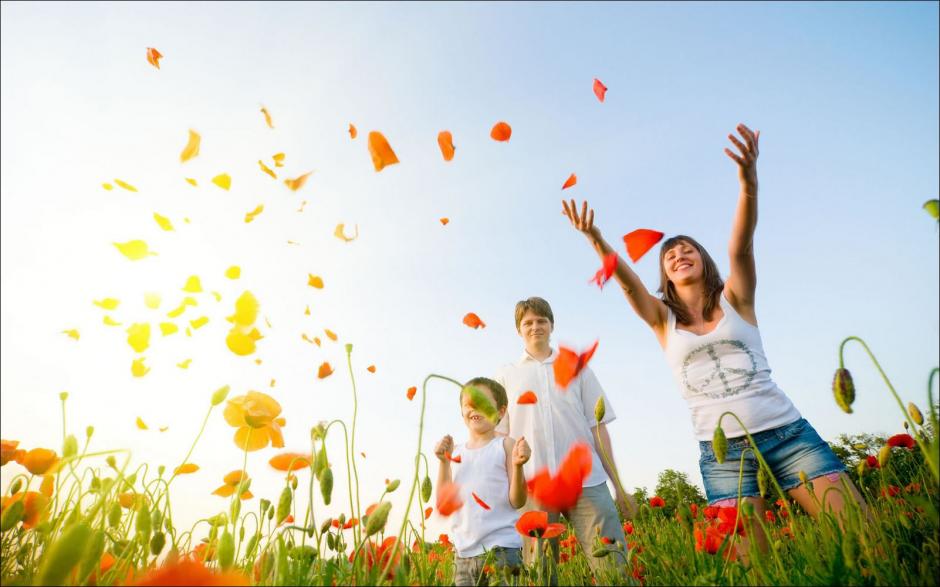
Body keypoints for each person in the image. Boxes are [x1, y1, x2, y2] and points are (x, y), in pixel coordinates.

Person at [561, 123, 868, 551]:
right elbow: (629, 285)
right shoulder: (660, 319)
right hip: (722, 454)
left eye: (687, 249)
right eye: (669, 255)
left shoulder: (737, 299)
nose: (678, 254)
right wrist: (595, 238)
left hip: (788, 435)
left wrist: (748, 184)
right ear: (665, 274)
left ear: (703, 259)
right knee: (752, 567)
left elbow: (741, 248)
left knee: (861, 537)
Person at [494, 297, 633, 577]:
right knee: (540, 573)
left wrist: (619, 485)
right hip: (534, 486)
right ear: (518, 330)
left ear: (552, 325)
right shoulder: (507, 376)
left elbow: (598, 427)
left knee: (613, 567)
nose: (535, 327)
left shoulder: (577, 368)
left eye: (541, 321)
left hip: (587, 481)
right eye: (528, 322)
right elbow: (501, 438)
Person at [435, 377, 531, 587]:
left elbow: (518, 501)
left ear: (501, 411)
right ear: (462, 412)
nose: (475, 408)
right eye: (469, 404)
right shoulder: (456, 452)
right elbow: (444, 504)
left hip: (502, 551)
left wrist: (518, 466)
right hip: (463, 556)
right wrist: (443, 463)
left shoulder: (505, 445)